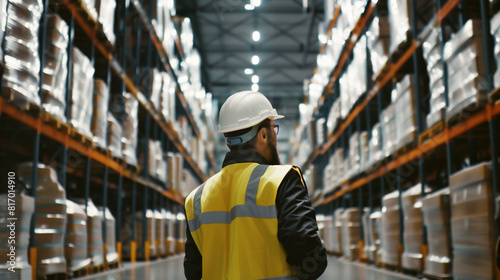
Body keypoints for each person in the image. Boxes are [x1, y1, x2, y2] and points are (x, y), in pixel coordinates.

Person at [184, 91, 327, 280]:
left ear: (229, 144)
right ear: (263, 135)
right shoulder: (282, 180)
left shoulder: (196, 199)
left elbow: (194, 272)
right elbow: (310, 258)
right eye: (273, 129)